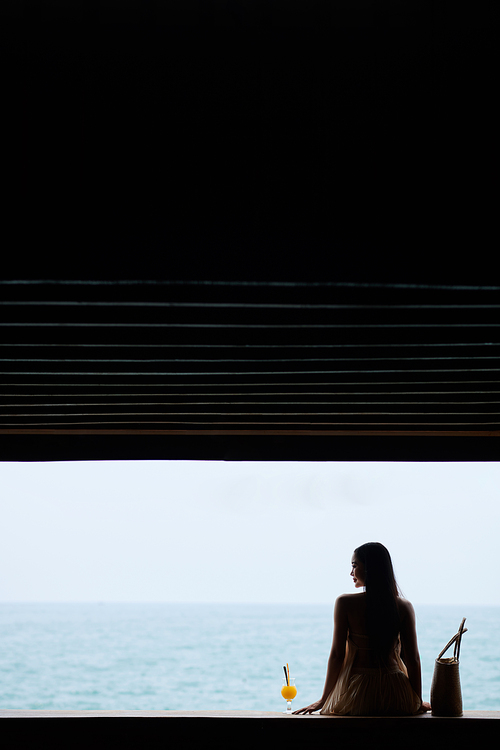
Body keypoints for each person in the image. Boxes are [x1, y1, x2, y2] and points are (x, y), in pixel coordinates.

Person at [293, 542, 431, 716]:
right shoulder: (404, 606)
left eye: (354, 565)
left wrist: (323, 700)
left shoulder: (345, 603)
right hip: (395, 691)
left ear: (369, 569)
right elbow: (413, 659)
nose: (351, 572)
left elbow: (337, 655)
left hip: (358, 691)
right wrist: (416, 700)